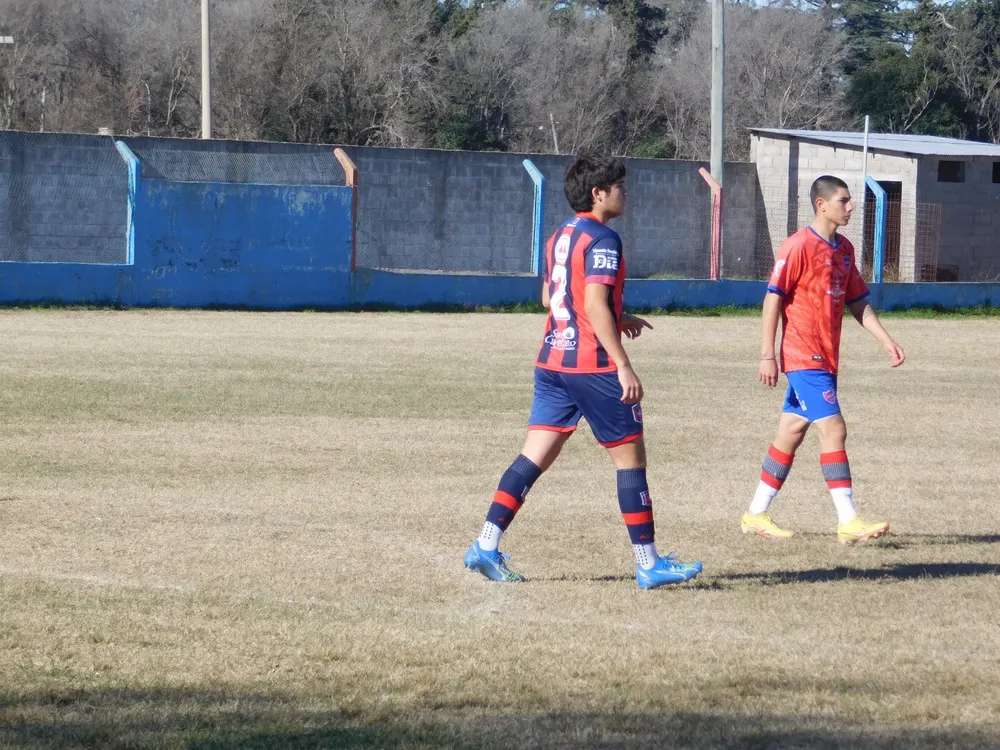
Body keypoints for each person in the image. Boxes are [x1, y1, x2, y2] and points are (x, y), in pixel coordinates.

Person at [463, 155, 702, 589]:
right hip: (593, 366)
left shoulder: (559, 235)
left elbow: (549, 296)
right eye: (620, 186)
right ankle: (648, 564)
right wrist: (623, 364)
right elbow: (591, 303)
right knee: (630, 462)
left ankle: (485, 543)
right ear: (599, 193)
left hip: (553, 361)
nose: (625, 193)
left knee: (532, 457)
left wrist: (616, 312)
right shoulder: (604, 238)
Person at [741, 174, 905, 543]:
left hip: (826, 360)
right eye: (844, 201)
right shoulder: (797, 246)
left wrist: (886, 341)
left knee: (791, 433)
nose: (850, 207)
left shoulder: (843, 250)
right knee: (834, 430)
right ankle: (848, 521)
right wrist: (768, 354)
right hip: (803, 356)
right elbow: (772, 299)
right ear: (822, 204)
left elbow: (859, 303)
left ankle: (755, 514)